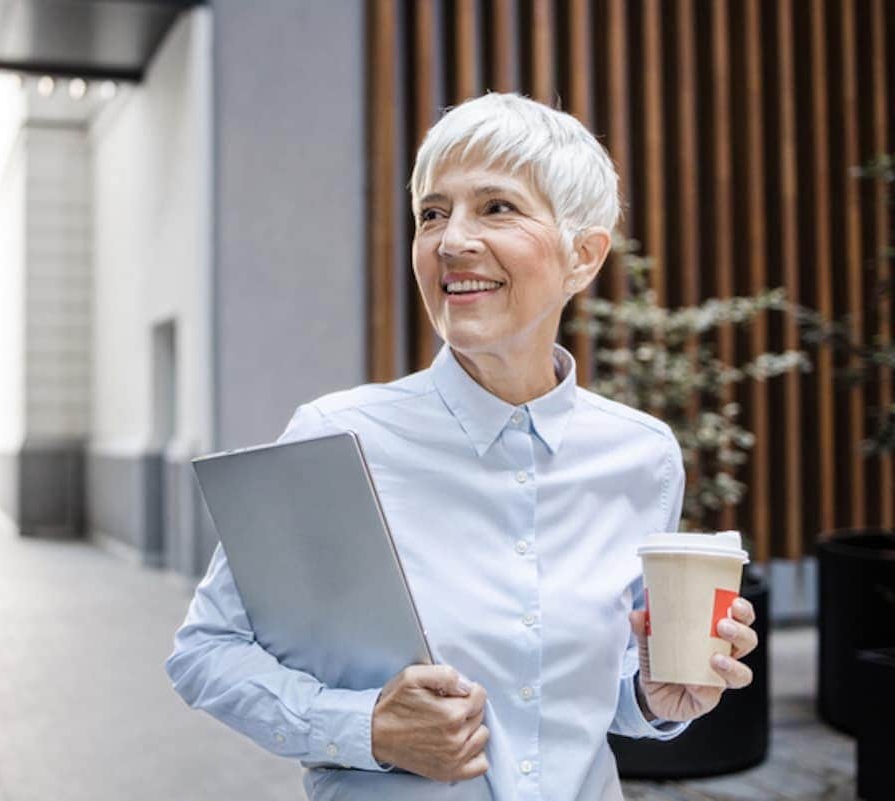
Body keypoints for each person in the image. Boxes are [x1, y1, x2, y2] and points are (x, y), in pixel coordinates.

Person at [164, 92, 758, 801]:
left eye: (497, 208)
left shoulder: (642, 457)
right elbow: (206, 651)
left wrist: (656, 695)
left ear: (584, 255)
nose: (450, 241)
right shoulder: (338, 436)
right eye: (432, 213)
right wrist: (366, 726)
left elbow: (580, 701)